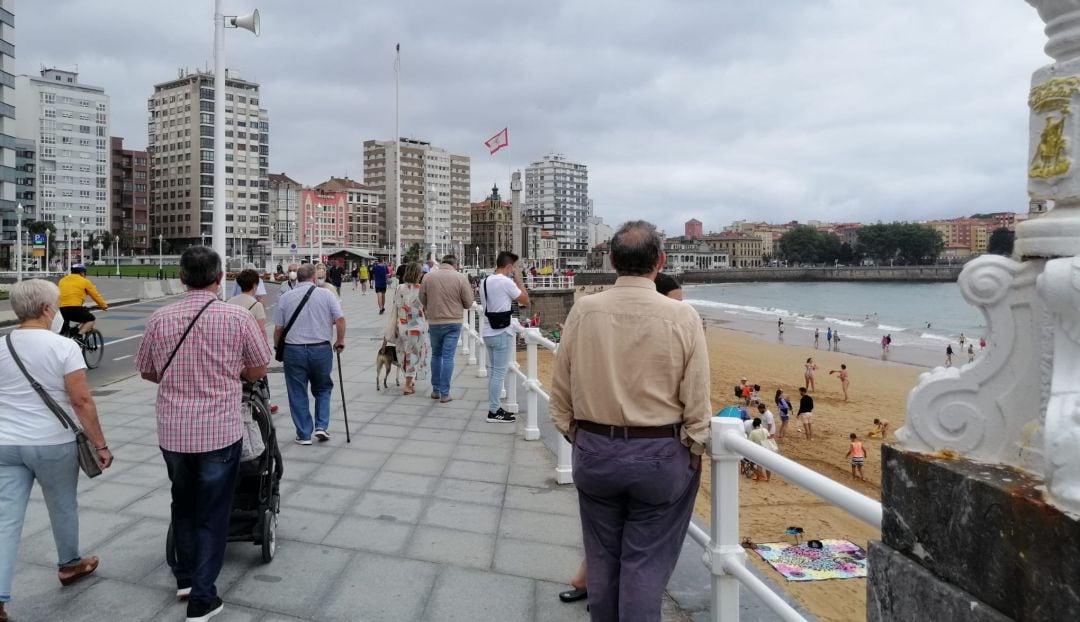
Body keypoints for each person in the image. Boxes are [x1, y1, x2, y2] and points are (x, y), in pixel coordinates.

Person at [550, 220, 710, 620]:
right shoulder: (682, 316)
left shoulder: (584, 310)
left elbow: (561, 386)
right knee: (646, 563)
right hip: (659, 453)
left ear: (611, 260)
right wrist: (693, 446)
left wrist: (576, 433)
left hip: (596, 449)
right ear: (661, 261)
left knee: (602, 559)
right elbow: (697, 396)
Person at [134, 247, 271, 622]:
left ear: (182, 278)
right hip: (219, 431)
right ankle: (203, 598)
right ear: (219, 277)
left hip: (174, 430)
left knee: (182, 501)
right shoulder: (236, 317)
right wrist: (233, 375)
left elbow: (146, 370)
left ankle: (185, 577)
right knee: (214, 510)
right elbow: (259, 368)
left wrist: (177, 377)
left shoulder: (160, 318)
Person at [0, 279, 113, 622]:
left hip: (5, 444)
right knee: (62, 505)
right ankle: (69, 564)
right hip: (53, 442)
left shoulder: (1, 344)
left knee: (6, 518)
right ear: (48, 309)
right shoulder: (64, 347)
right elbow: (80, 400)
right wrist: (100, 444)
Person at [273, 264, 346, 445]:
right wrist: (340, 340)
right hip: (321, 349)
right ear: (314, 278)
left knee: (297, 391)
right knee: (323, 388)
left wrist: (277, 347)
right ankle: (321, 426)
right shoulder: (327, 294)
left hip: (293, 350)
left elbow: (278, 328)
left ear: (297, 278)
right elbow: (340, 319)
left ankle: (304, 433)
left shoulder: (286, 297)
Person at [480, 251, 529, 423]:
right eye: (513, 267)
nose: (513, 270)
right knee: (499, 373)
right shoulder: (506, 282)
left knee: (494, 372)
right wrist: (519, 280)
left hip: (487, 331)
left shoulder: (484, 281)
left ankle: (495, 408)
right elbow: (525, 300)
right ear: (508, 266)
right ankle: (494, 411)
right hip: (501, 333)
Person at [419, 254, 474, 403]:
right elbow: (469, 303)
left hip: (435, 321)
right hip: (453, 322)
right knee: (448, 357)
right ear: (455, 265)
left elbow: (422, 299)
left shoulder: (428, 277)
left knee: (436, 355)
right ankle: (445, 393)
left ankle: (435, 390)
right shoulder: (460, 278)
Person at [385, 262, 429, 396]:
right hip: (417, 326)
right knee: (415, 354)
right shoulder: (421, 288)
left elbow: (397, 305)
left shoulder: (399, 288)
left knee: (403, 353)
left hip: (402, 325)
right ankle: (408, 384)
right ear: (418, 274)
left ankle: (409, 379)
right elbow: (425, 306)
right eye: (420, 272)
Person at [57, 264, 108, 338]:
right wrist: (103, 306)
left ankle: (66, 337)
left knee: (65, 327)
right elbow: (95, 295)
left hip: (61, 309)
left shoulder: (62, 280)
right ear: (82, 273)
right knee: (91, 319)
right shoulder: (85, 281)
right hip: (75, 308)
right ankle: (79, 336)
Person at [226, 269, 268, 334]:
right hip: (248, 342)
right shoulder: (257, 305)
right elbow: (261, 330)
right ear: (254, 286)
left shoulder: (229, 303)